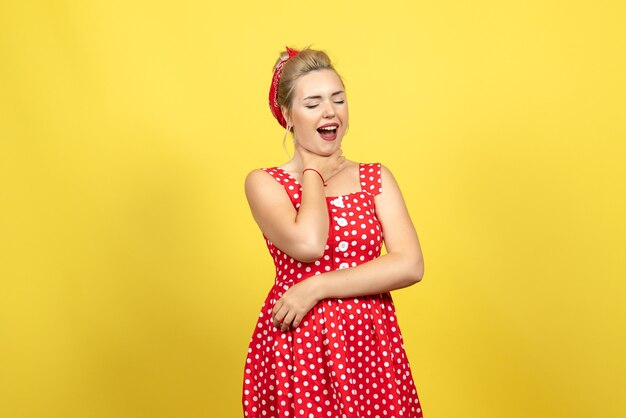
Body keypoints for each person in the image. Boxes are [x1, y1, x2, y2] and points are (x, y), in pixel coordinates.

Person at [242, 45, 425, 418]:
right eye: (313, 104)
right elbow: (309, 244)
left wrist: (316, 287)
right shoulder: (265, 183)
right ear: (287, 116)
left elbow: (409, 265)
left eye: (338, 100)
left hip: (370, 345)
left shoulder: (375, 177)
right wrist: (314, 173)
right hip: (300, 344)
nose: (330, 112)